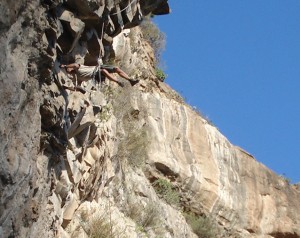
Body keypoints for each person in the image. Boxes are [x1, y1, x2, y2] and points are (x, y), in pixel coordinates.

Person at [59, 63, 139, 87]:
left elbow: (75, 65)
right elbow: (78, 87)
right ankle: (118, 82)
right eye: (69, 71)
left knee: (116, 69)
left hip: (97, 67)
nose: (69, 71)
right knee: (103, 71)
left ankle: (130, 80)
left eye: (69, 69)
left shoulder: (80, 68)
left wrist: (65, 66)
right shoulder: (79, 77)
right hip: (96, 75)